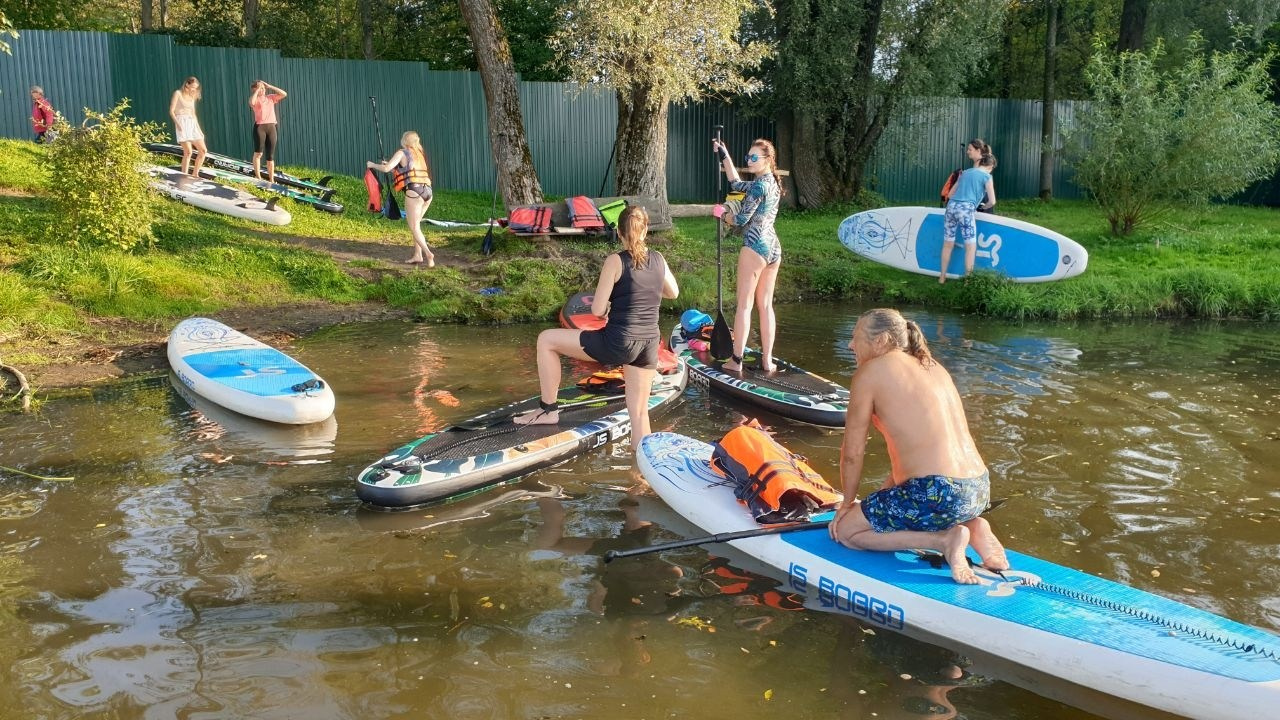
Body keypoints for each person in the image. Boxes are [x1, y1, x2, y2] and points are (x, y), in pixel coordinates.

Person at [829, 308, 1008, 585]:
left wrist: (846, 506)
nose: (851, 345)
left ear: (881, 340)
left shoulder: (871, 372)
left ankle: (944, 540)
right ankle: (975, 526)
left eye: (856, 337)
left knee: (847, 533)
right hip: (977, 490)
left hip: (937, 493)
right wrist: (880, 497)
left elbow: (852, 453)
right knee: (918, 501)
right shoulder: (932, 366)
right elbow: (917, 455)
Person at [513, 206, 679, 446]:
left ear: (619, 233)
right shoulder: (659, 259)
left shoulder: (615, 261)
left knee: (546, 340)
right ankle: (641, 468)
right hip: (649, 344)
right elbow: (673, 293)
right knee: (640, 415)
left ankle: (548, 410)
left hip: (618, 342)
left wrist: (611, 306)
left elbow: (597, 310)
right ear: (645, 231)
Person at [710, 137, 784, 373]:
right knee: (766, 306)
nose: (749, 161)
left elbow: (741, 219)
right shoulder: (769, 182)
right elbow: (735, 182)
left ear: (767, 159)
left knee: (744, 305)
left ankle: (736, 360)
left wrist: (722, 214)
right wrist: (724, 154)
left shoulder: (759, 186)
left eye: (754, 157)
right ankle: (767, 360)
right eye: (747, 157)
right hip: (773, 247)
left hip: (755, 245)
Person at [367, 131, 435, 266]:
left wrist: (372, 165)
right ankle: (418, 255)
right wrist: (393, 168)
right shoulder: (419, 154)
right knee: (416, 226)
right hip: (427, 192)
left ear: (404, 141)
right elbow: (405, 170)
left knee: (414, 227)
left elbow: (386, 168)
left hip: (415, 192)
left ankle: (428, 254)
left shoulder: (402, 152)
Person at [939, 139, 997, 284]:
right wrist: (983, 207)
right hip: (965, 210)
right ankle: (967, 281)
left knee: (947, 244)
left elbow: (950, 194)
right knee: (970, 247)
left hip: (951, 207)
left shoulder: (964, 173)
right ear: (989, 166)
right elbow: (992, 201)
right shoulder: (987, 176)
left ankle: (942, 277)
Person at [248, 80, 287, 182]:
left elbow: (284, 94)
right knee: (258, 153)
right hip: (260, 127)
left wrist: (269, 86)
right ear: (254, 89)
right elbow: (252, 103)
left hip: (271, 127)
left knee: (270, 156)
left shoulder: (270, 98)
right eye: (259, 88)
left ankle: (271, 179)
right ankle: (258, 177)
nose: (262, 90)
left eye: (263, 88)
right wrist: (257, 91)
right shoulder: (254, 98)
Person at [169, 76, 208, 177]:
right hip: (182, 122)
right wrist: (178, 124)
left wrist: (199, 129)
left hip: (192, 123)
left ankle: (195, 174)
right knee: (188, 152)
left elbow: (193, 114)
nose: (194, 89)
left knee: (203, 150)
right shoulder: (178, 93)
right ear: (187, 84)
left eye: (196, 88)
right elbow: (171, 111)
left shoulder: (192, 96)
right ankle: (184, 176)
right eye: (193, 87)